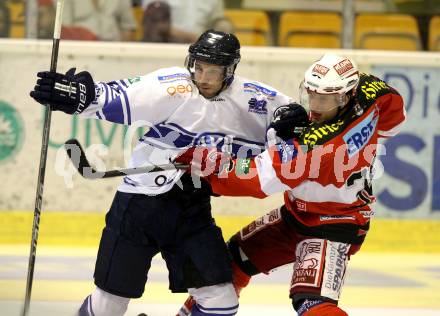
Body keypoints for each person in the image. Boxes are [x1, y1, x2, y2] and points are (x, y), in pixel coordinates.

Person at [29, 30, 298, 316]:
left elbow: (293, 113)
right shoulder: (172, 85)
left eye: (213, 71)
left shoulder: (253, 99)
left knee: (222, 302)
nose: (203, 77)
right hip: (139, 208)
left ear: (230, 71)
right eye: (199, 67)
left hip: (192, 211)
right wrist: (82, 96)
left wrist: (294, 121)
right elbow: (115, 97)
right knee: (109, 305)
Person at [175, 53, 406, 316]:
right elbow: (395, 115)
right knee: (228, 264)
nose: (316, 106)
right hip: (295, 217)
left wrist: (206, 164)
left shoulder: (317, 146)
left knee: (312, 303)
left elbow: (257, 179)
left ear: (346, 96)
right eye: (312, 95)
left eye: (326, 99)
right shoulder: (369, 91)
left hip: (331, 227)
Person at [142, 0, 226, 43]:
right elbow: (154, 23)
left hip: (202, 49)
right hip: (167, 45)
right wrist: (193, 38)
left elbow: (217, 21)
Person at [62, 0, 137, 41]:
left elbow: (128, 26)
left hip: (112, 46)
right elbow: (65, 28)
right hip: (80, 46)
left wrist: (121, 51)